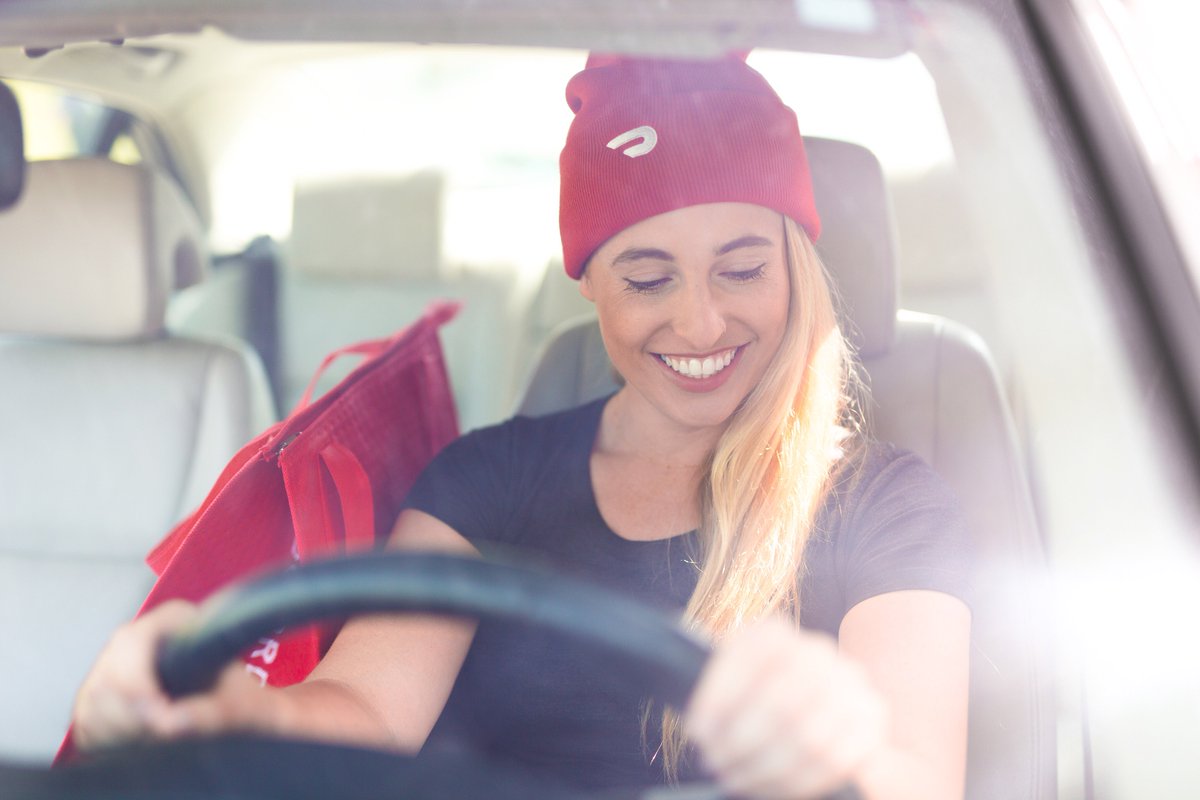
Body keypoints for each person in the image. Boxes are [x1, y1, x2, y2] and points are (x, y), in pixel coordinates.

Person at [71, 53, 971, 800]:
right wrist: (233, 711)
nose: (700, 324)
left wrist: (828, 759)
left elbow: (918, 780)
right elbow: (368, 711)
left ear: (795, 266)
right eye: (647, 279)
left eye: (741, 270)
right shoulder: (488, 480)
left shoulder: (887, 505)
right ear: (589, 284)